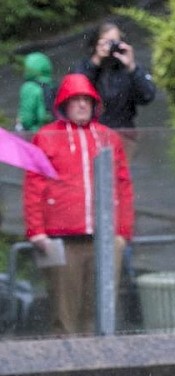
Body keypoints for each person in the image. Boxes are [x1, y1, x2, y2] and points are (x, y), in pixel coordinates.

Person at [22, 73, 134, 335]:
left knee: (99, 312)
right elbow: (33, 186)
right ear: (64, 104)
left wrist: (123, 232)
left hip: (103, 237)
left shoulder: (108, 137)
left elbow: (123, 185)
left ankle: (96, 367)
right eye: (75, 100)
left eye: (87, 99)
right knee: (63, 313)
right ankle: (65, 370)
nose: (82, 105)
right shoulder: (46, 136)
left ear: (95, 104)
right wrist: (36, 230)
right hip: (59, 238)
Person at [71, 19, 156, 150]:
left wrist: (132, 68)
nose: (111, 47)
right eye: (107, 42)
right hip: (91, 135)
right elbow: (74, 89)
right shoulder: (86, 66)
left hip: (124, 135)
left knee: (121, 170)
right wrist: (96, 61)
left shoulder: (128, 69)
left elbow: (147, 96)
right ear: (96, 44)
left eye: (115, 42)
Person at [16, 52, 55, 132]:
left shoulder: (29, 88)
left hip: (35, 132)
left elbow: (27, 119)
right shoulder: (52, 85)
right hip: (53, 132)